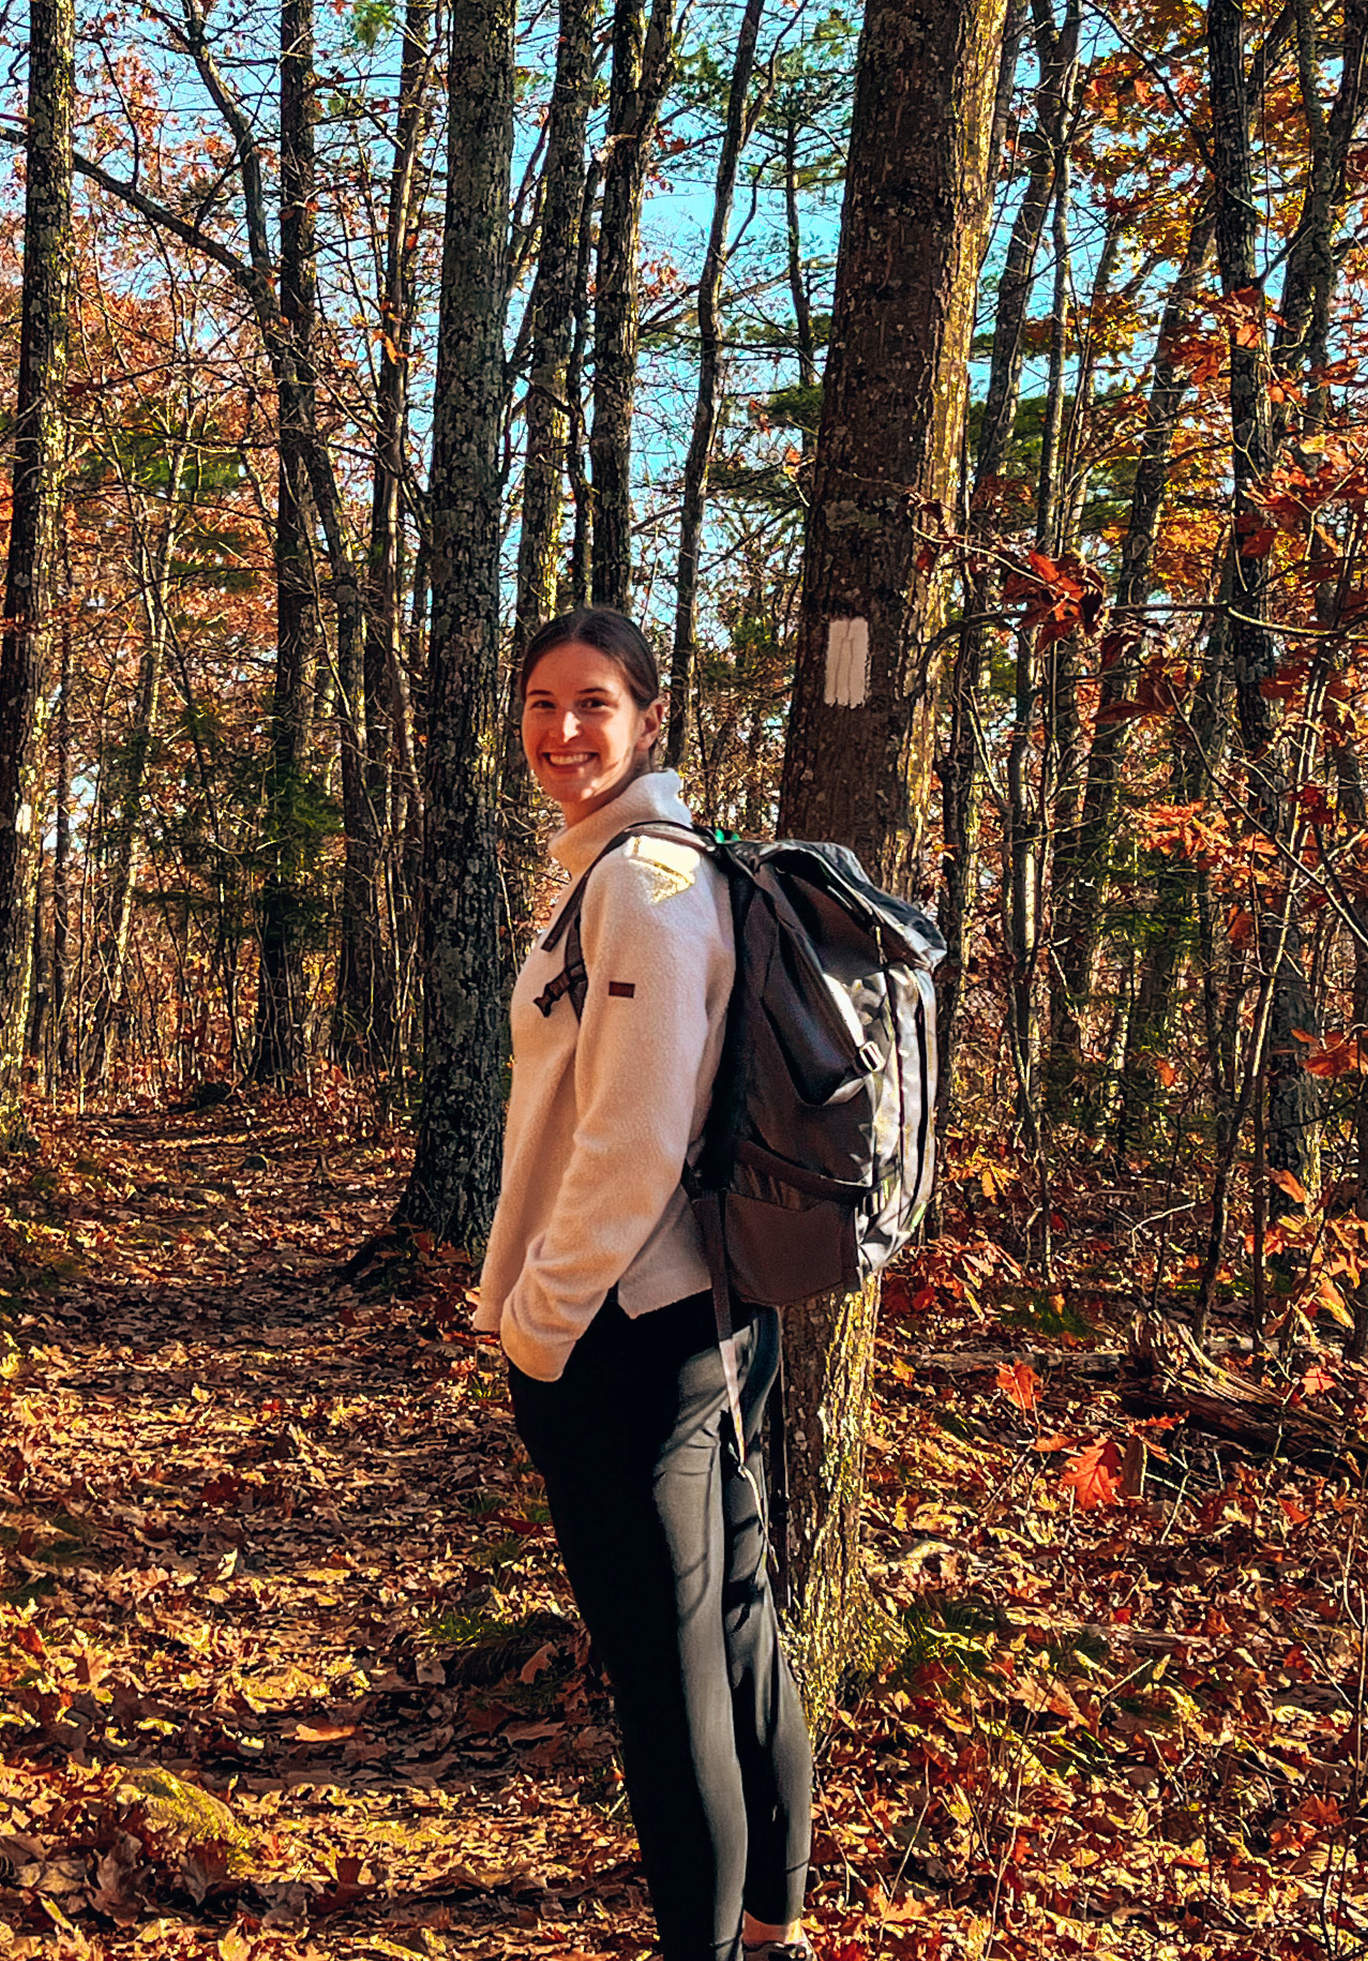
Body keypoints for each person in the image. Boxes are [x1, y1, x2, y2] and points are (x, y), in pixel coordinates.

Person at [474, 607, 816, 1961]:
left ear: (649, 717)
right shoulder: (625, 870)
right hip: (698, 1318)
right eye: (545, 705)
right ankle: (777, 1927)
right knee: (733, 1637)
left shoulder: (648, 887)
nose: (566, 733)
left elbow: (632, 1139)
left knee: (674, 1690)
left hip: (632, 1329)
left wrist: (539, 1326)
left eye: (595, 705)